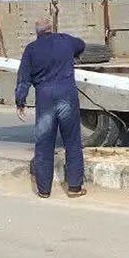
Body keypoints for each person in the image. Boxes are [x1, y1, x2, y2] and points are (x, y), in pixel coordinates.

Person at [15, 18, 88, 199]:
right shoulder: (65, 40)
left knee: (44, 144)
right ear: (51, 28)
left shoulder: (31, 49)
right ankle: (74, 187)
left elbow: (23, 78)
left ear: (37, 32)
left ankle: (44, 190)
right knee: (72, 142)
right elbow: (81, 45)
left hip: (45, 98)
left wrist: (20, 102)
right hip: (67, 96)